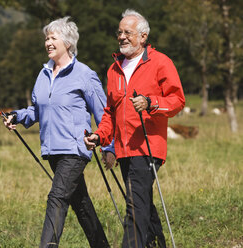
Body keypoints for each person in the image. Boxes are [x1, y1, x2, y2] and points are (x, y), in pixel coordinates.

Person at [3, 16, 114, 248]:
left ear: (68, 42)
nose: (48, 42)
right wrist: (17, 115)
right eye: (46, 38)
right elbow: (38, 110)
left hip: (75, 149)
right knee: (80, 203)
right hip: (51, 149)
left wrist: (107, 146)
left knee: (57, 197)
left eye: (53, 38)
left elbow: (104, 113)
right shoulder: (43, 75)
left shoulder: (84, 74)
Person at [84, 9, 185, 248]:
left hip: (148, 147)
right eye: (119, 32)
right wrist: (100, 135)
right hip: (123, 150)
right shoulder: (114, 69)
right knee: (141, 203)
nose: (121, 37)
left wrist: (151, 102)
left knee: (134, 206)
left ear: (143, 36)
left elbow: (178, 100)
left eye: (127, 32)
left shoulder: (161, 62)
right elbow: (110, 112)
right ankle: (156, 244)